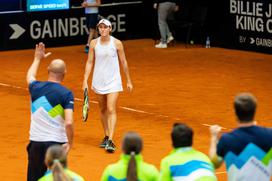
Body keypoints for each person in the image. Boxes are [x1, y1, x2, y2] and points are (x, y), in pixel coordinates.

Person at [82, 19, 133, 153]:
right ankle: (105, 135)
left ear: (110, 29)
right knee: (103, 109)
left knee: (111, 108)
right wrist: (85, 80)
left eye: (105, 27)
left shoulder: (117, 43)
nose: (103, 29)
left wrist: (128, 80)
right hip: (98, 81)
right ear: (98, 29)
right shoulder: (93, 43)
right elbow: (89, 62)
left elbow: (124, 61)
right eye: (101, 27)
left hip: (114, 81)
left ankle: (111, 140)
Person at [26, 43, 74, 181]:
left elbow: (30, 76)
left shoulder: (35, 87)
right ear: (64, 73)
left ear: (48, 70)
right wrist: (70, 143)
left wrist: (37, 58)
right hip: (57, 144)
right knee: (58, 177)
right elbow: (69, 122)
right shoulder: (66, 94)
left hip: (36, 143)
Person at [209, 93, 272, 181]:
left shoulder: (226, 140)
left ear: (235, 113)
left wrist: (214, 137)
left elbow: (215, 163)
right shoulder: (270, 135)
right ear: (254, 110)